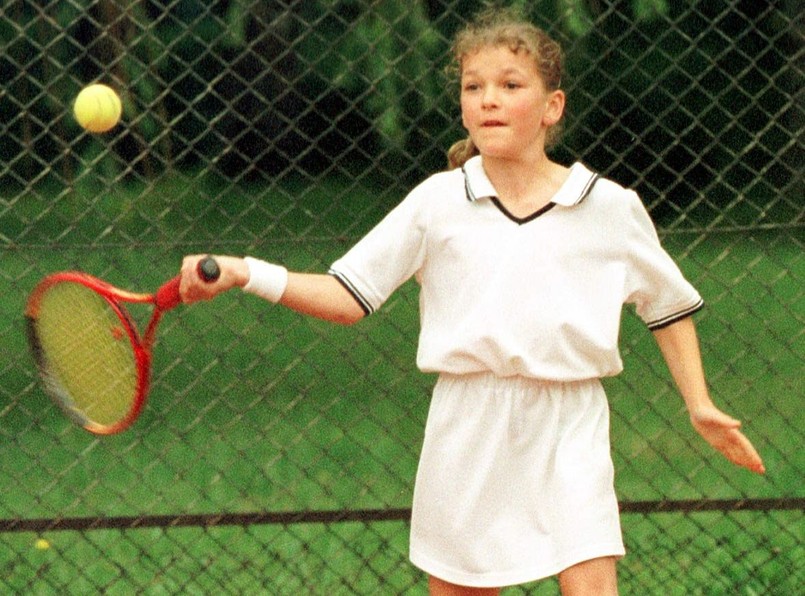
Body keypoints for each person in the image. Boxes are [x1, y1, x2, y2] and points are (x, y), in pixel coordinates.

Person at [178, 7, 765, 595]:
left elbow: (667, 308)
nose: (489, 99)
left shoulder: (609, 207)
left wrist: (699, 403)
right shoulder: (437, 202)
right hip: (466, 427)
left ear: (551, 107)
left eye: (510, 85)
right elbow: (348, 296)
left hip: (570, 423)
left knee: (591, 580)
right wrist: (244, 271)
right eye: (473, 87)